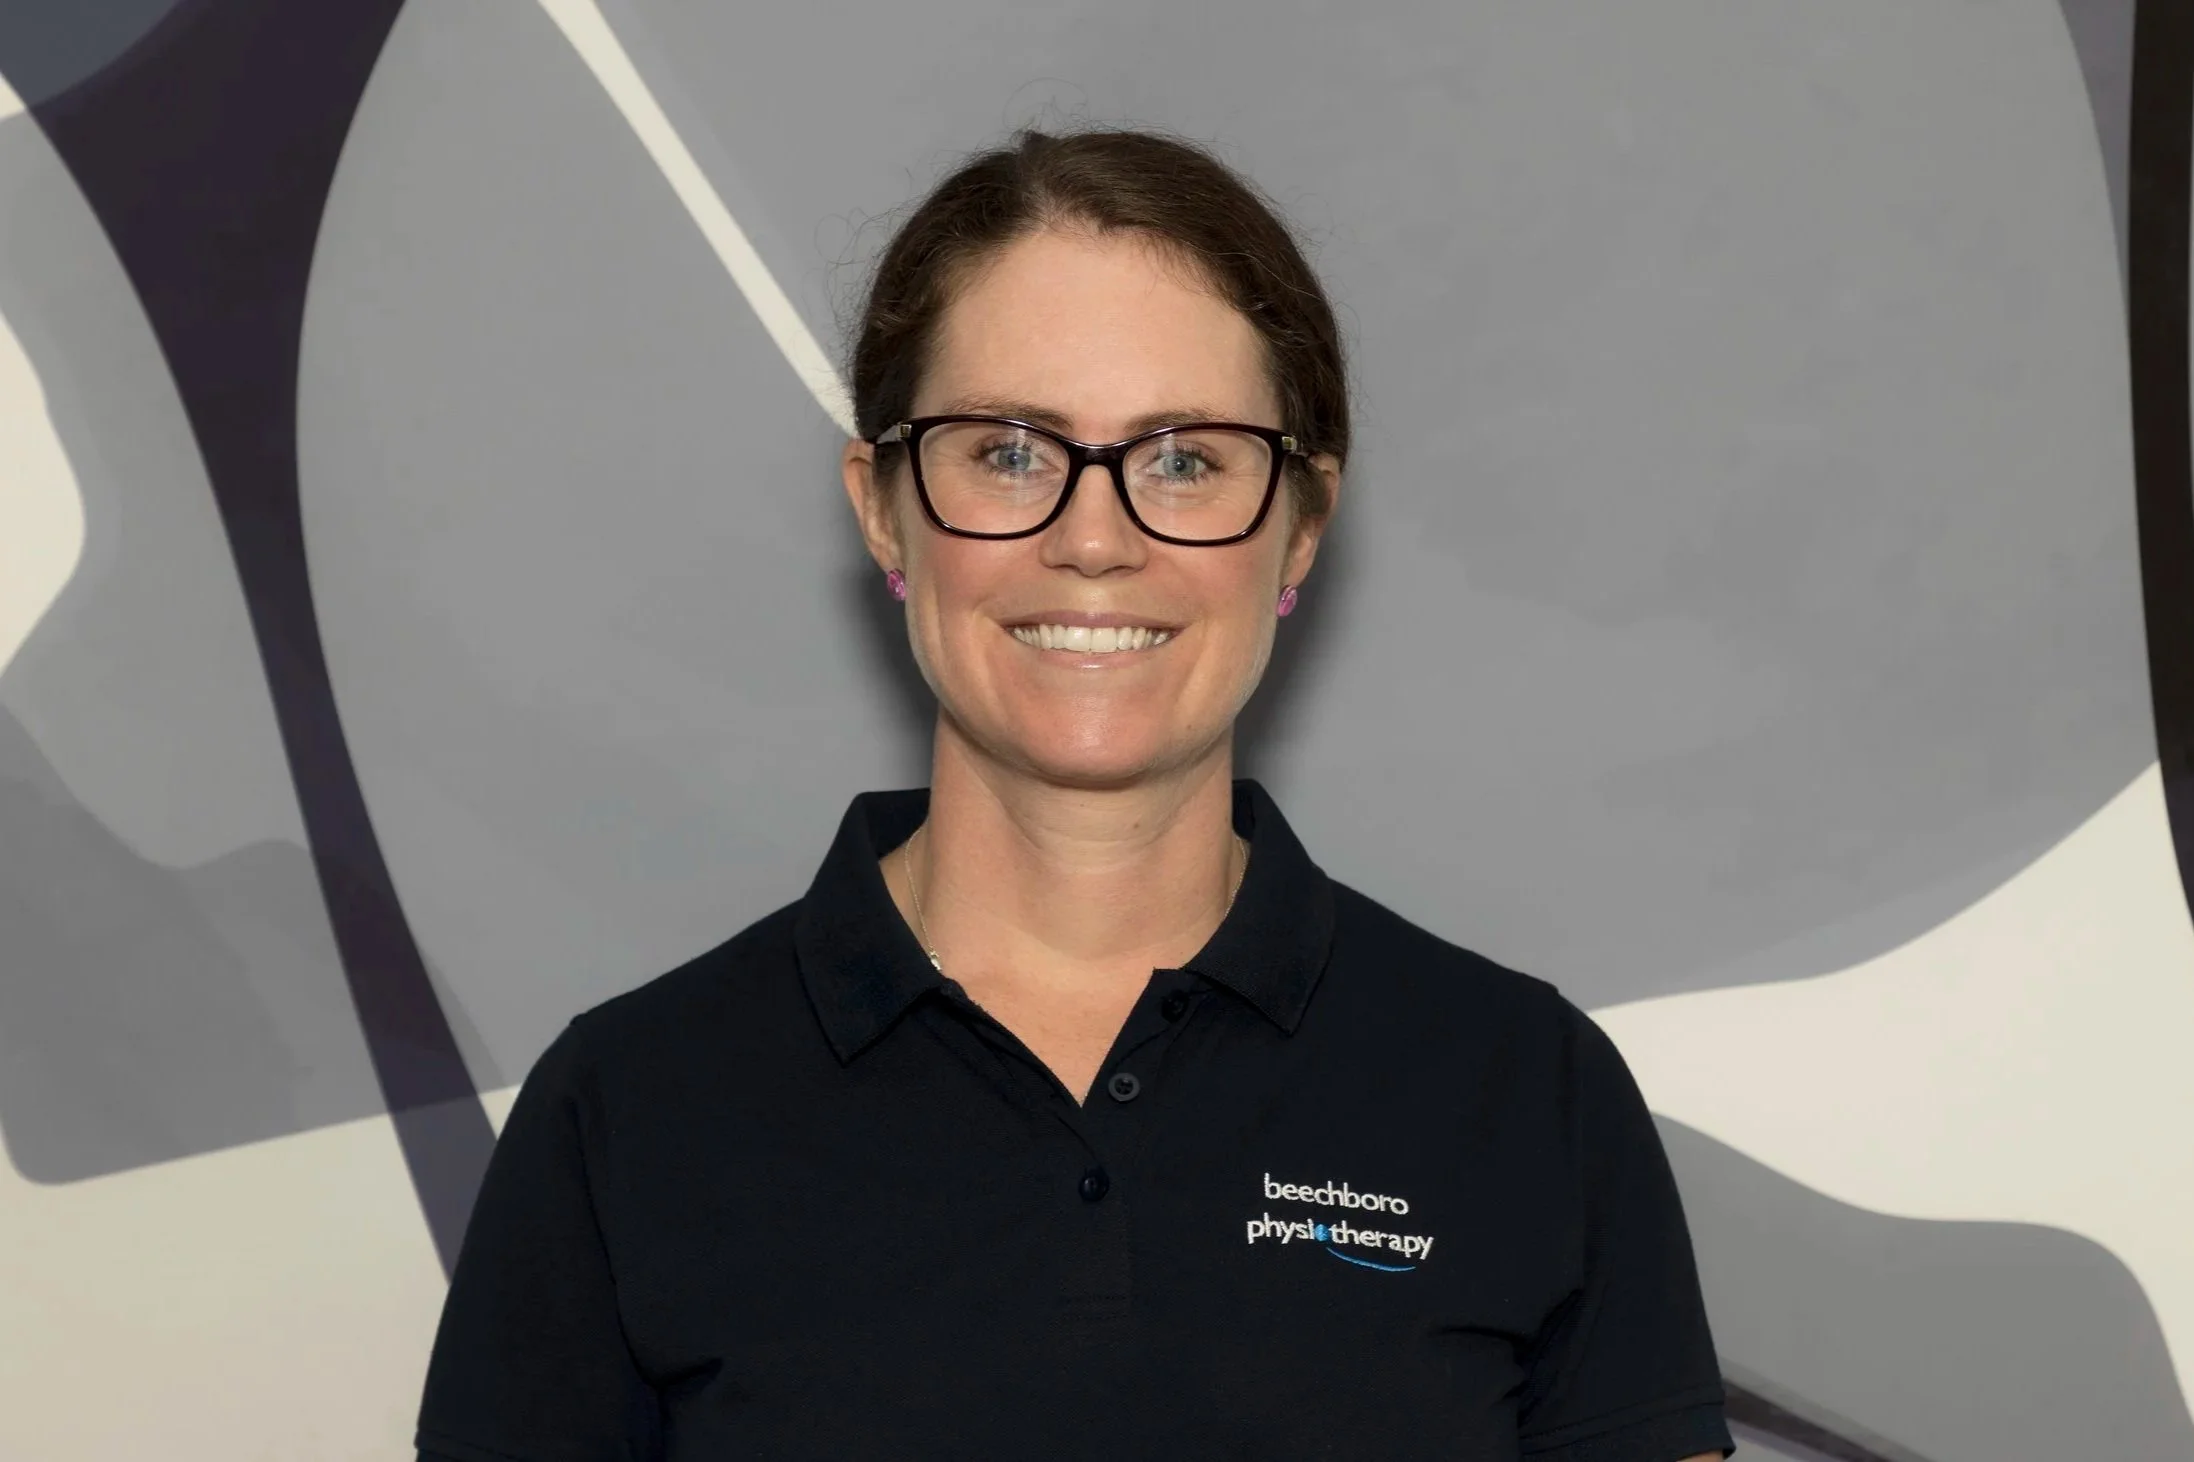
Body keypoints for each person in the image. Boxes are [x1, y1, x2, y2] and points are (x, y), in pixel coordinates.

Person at [414, 124, 1734, 1462]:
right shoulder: (629, 1108)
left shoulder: (1521, 1088)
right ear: (883, 508)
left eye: (1183, 458)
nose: (1092, 537)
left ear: (1301, 522)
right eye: (1005, 451)